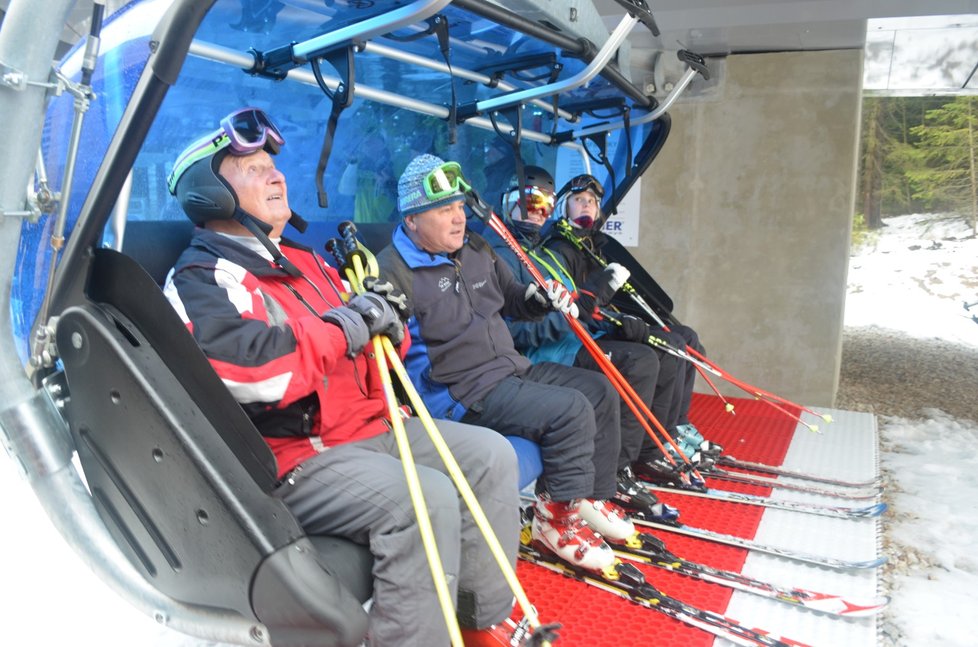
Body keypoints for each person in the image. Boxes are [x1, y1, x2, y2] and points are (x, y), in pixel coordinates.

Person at [162, 108, 521, 645]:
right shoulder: (204, 276)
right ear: (209, 193)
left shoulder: (306, 262)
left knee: (493, 456)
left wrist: (385, 318)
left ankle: (476, 622)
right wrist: (346, 326)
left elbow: (380, 346)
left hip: (374, 428)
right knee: (424, 498)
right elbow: (246, 370)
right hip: (301, 458)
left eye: (273, 166)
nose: (277, 176)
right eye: (255, 169)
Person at [376, 154, 635, 573]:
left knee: (597, 389)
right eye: (445, 210)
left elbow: (513, 297)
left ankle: (585, 495)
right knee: (570, 409)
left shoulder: (475, 247)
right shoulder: (393, 270)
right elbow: (382, 353)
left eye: (460, 207)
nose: (459, 219)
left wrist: (536, 299)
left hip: (508, 368)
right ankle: (555, 523)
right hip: (460, 391)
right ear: (412, 220)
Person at [487, 166, 685, 512]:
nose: (539, 210)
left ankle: (641, 456)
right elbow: (517, 329)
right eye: (532, 200)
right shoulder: (502, 257)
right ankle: (611, 475)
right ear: (508, 203)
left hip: (570, 340)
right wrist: (576, 311)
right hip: (546, 352)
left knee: (658, 350)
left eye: (547, 204)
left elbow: (573, 303)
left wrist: (606, 318)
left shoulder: (540, 253)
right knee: (635, 364)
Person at [546, 173, 723, 475]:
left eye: (591, 202)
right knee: (658, 353)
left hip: (602, 324)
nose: (586, 206)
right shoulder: (560, 249)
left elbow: (608, 300)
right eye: (579, 201)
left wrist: (630, 318)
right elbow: (578, 306)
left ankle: (673, 427)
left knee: (686, 338)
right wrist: (617, 323)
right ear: (564, 207)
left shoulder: (595, 245)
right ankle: (644, 450)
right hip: (582, 335)